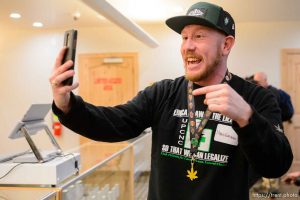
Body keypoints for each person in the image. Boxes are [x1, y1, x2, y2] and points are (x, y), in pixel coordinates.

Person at [49, 2, 293, 199]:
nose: (188, 46)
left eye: (198, 36)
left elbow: (277, 165)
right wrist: (66, 104)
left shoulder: (256, 98)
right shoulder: (163, 92)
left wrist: (246, 118)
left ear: (226, 45)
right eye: (184, 37)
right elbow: (113, 123)